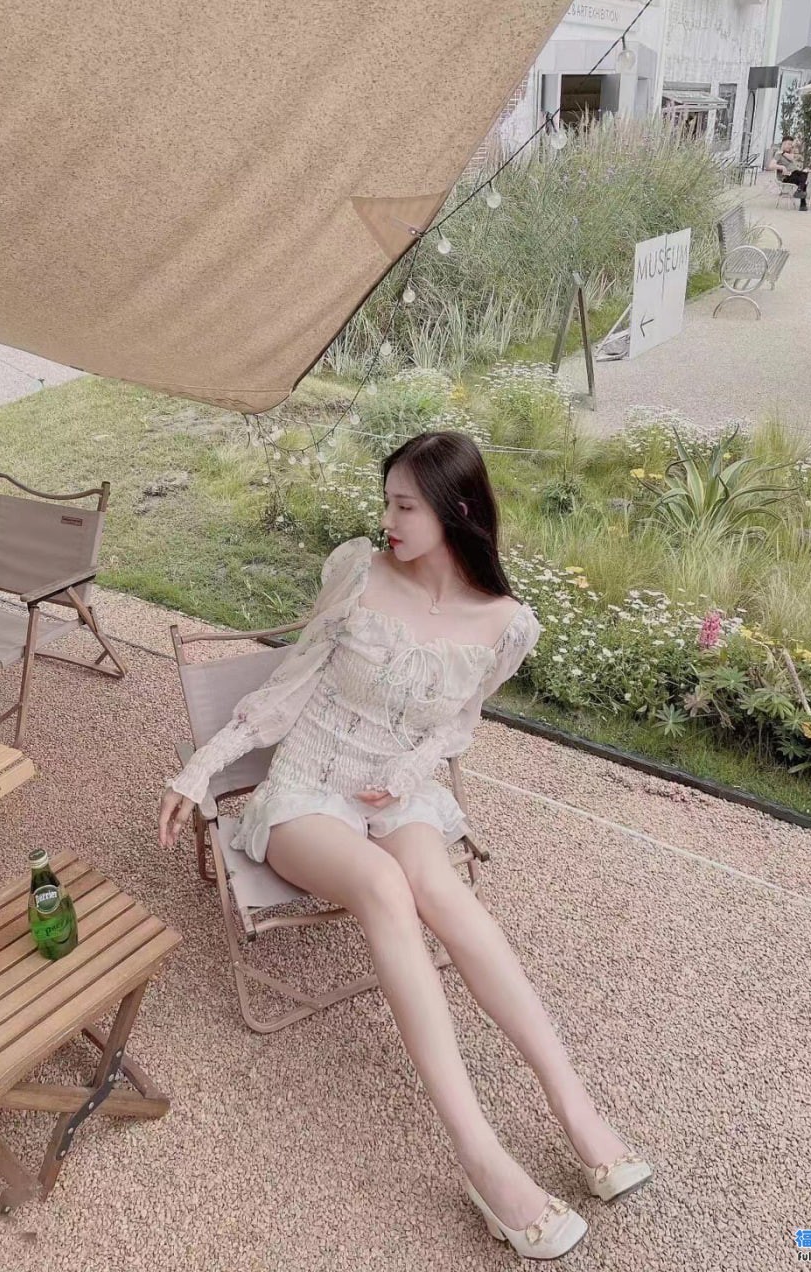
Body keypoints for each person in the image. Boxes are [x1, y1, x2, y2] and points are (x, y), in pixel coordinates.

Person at [159, 431, 653, 1260]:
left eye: (404, 506)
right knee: (386, 889)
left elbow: (457, 722)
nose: (386, 519)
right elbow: (287, 688)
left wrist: (411, 767)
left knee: (445, 895)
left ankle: (575, 1110)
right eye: (386, 501)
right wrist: (200, 768)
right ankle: (481, 1159)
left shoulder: (504, 624)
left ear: (456, 510)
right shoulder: (358, 573)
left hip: (395, 794)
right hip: (309, 790)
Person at [769, 137, 810, 210]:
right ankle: (802, 203)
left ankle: (799, 191)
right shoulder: (778, 154)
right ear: (783, 144)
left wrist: (794, 145)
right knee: (803, 180)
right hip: (786, 176)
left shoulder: (788, 153)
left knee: (804, 175)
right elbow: (771, 165)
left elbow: (792, 154)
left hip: (794, 173)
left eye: (791, 145)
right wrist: (782, 167)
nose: (790, 146)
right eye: (788, 144)